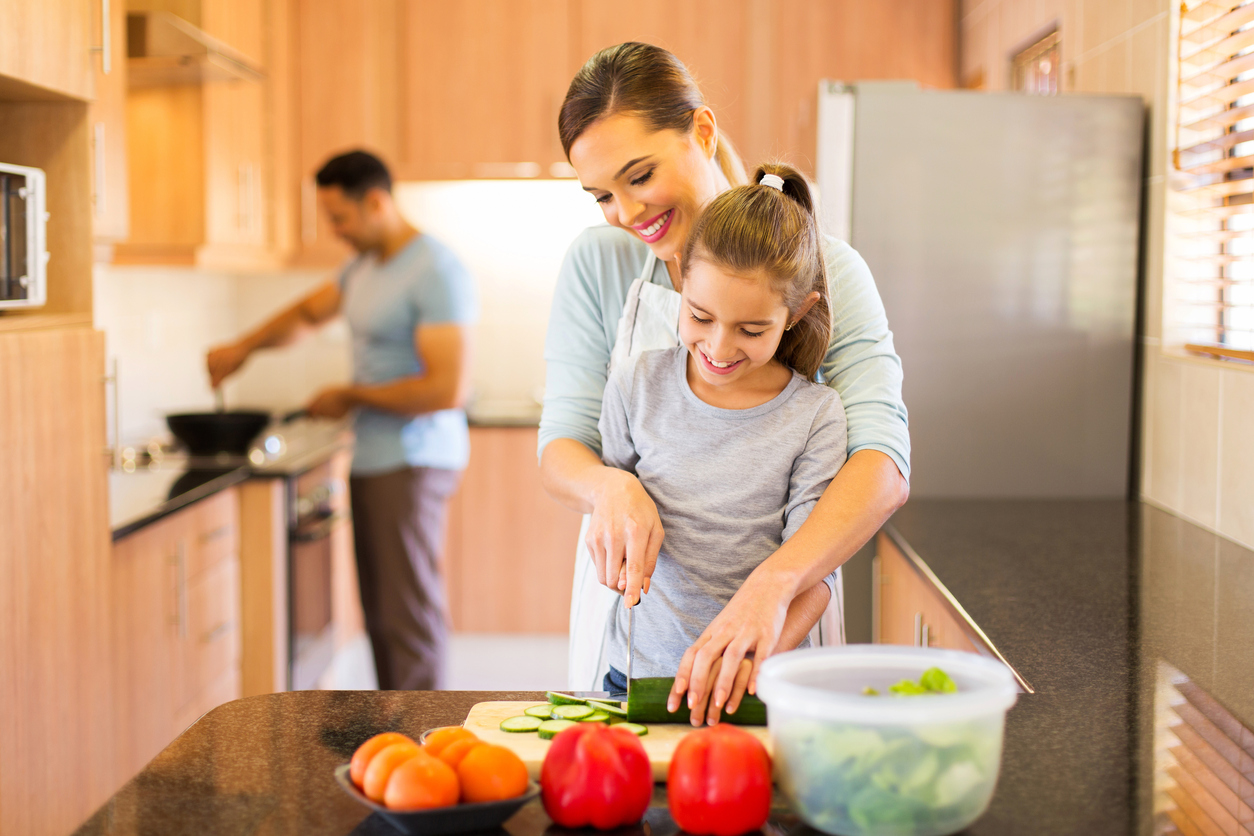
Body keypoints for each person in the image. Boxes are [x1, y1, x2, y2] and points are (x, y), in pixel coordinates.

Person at [540, 43, 911, 720]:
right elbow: (562, 445)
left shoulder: (830, 272)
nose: (625, 212)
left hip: (780, 630)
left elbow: (881, 464)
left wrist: (774, 587)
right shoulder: (597, 265)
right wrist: (610, 485)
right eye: (601, 195)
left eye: (639, 175)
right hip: (635, 641)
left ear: (701, 132)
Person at [206, 150, 477, 690]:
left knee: (407, 618)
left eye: (339, 218)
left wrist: (350, 394)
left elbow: (447, 389)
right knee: (381, 615)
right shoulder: (363, 268)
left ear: (375, 202)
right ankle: (395, 743)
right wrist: (244, 347)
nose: (334, 231)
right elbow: (308, 314)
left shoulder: (434, 270)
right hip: (377, 458)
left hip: (414, 460)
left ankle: (425, 746)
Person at [599, 164, 847, 724]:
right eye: (700, 316)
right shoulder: (636, 384)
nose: (717, 346)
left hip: (758, 684)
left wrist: (745, 663)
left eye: (751, 330)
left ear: (797, 314)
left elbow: (815, 575)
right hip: (635, 677)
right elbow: (613, 505)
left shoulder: (815, 416)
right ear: (682, 281)